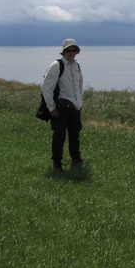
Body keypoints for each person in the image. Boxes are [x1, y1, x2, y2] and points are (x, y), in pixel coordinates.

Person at [41, 39, 84, 172]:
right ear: (64, 51)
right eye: (68, 50)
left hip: (75, 106)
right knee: (59, 135)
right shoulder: (57, 65)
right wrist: (51, 107)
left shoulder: (76, 65)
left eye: (73, 50)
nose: (71, 53)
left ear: (76, 52)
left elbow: (80, 85)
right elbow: (46, 87)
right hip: (62, 105)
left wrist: (80, 101)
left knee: (74, 134)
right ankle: (57, 163)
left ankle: (76, 159)